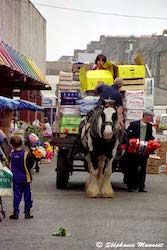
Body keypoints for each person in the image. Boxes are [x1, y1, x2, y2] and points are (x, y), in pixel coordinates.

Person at [125, 109, 154, 192]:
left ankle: (141, 187)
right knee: (132, 168)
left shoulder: (149, 126)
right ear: (146, 116)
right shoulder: (134, 124)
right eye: (150, 117)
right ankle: (131, 186)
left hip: (144, 151)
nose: (151, 119)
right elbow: (128, 135)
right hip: (134, 150)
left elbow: (150, 137)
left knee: (143, 169)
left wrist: (151, 144)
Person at [9, 135, 34, 219]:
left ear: (12, 145)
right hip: (26, 178)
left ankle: (15, 212)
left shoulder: (11, 154)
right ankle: (27, 213)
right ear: (21, 143)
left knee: (16, 196)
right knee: (27, 196)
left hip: (16, 178)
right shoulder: (26, 154)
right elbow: (31, 164)